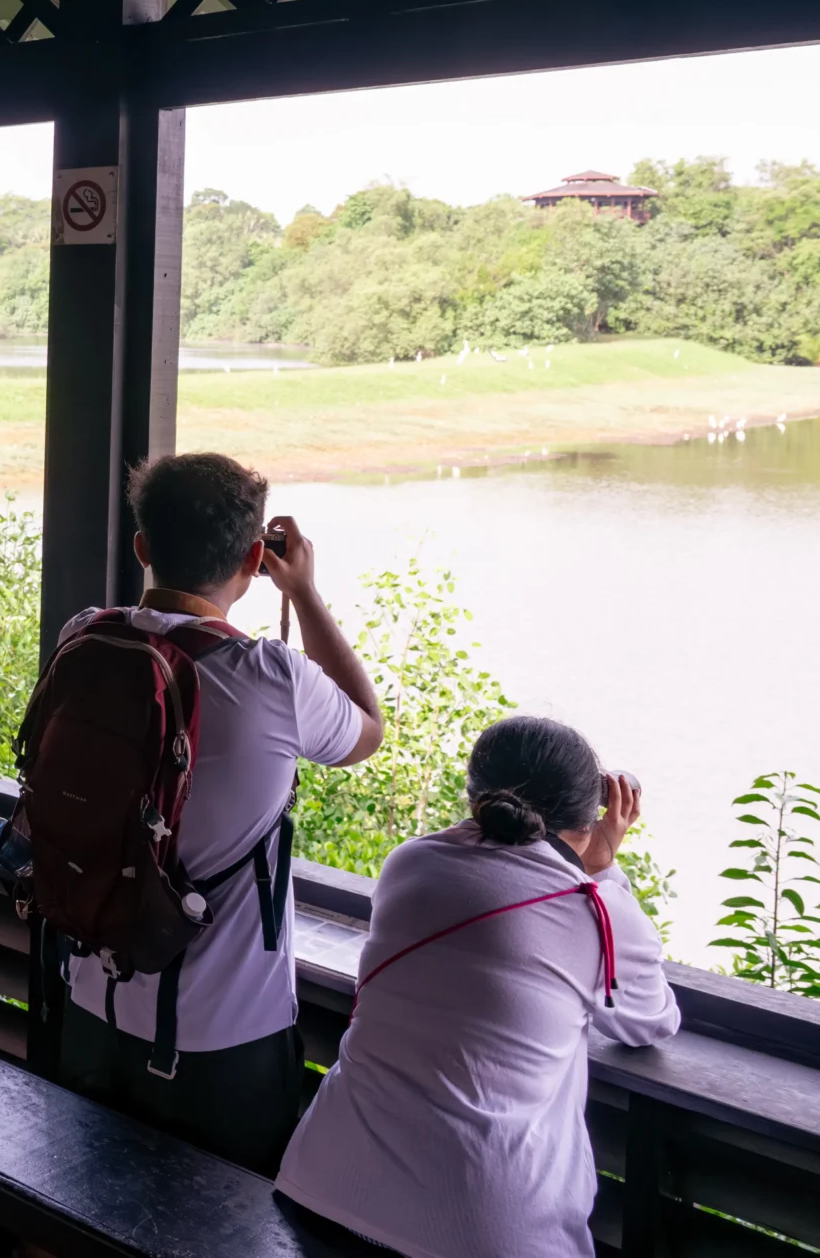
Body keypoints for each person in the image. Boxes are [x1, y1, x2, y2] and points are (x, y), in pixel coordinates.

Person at [55, 452, 384, 1175]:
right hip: (222, 1041)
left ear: (142, 547)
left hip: (88, 1005)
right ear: (253, 560)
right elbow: (367, 728)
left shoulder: (81, 638)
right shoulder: (270, 676)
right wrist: (303, 593)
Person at [277, 717, 677, 1257]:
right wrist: (603, 871)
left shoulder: (409, 862)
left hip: (323, 1186)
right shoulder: (596, 909)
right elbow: (649, 1020)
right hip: (484, 1230)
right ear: (593, 815)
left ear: (475, 796)